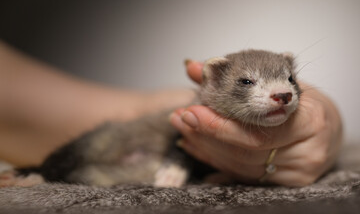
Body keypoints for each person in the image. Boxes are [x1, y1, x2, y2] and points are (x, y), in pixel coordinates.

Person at [0, 40, 343, 187]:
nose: (282, 93)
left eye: (288, 79)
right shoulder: (189, 119)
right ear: (214, 78)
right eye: (249, 81)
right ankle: (38, 173)